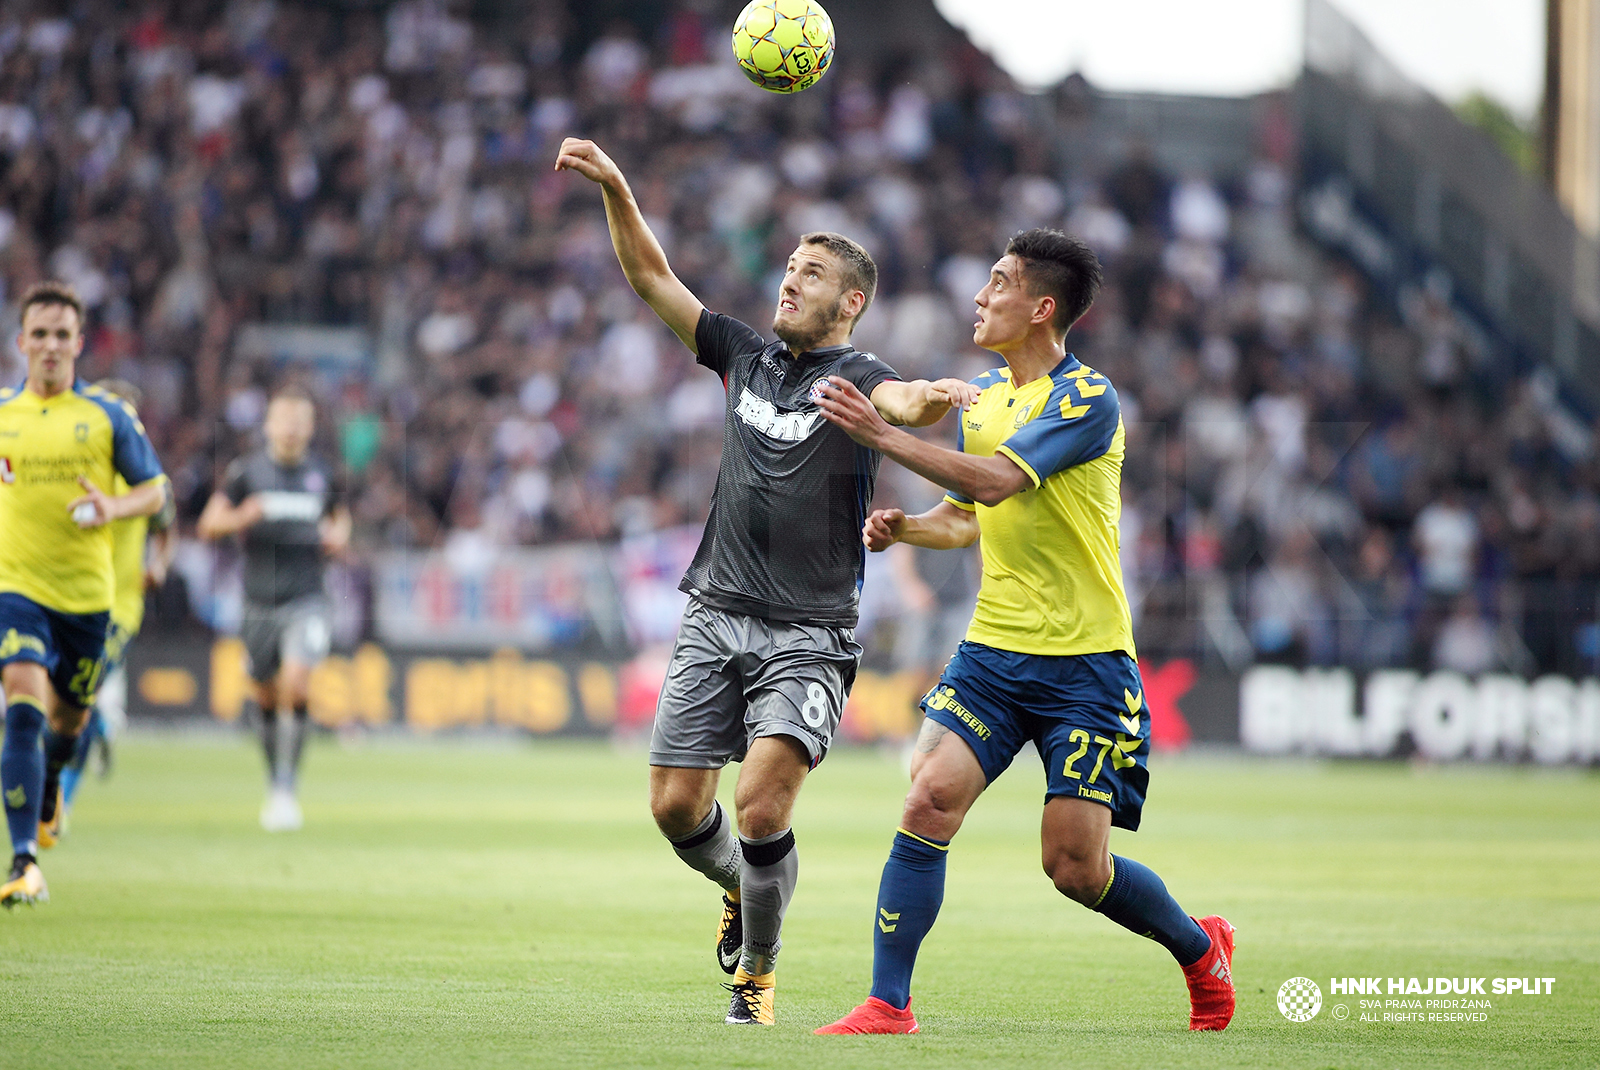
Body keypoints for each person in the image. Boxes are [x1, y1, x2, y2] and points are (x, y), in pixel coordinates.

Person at [554, 136, 978, 1025]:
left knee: (757, 807)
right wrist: (619, 188)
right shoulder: (742, 354)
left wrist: (933, 396)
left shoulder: (861, 376)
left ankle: (757, 971)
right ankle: (746, 894)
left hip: (808, 633)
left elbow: (904, 404)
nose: (790, 280)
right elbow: (652, 279)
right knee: (677, 808)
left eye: (812, 273)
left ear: (850, 300)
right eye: (789, 266)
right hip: (713, 611)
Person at [812, 229, 1235, 1035]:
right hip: (993, 656)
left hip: (1086, 666)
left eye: (998, 283)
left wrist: (883, 436)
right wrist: (908, 531)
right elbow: (968, 518)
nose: (980, 296)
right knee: (929, 798)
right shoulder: (982, 399)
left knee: (1074, 868)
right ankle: (887, 1005)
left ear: (1042, 307)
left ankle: (1198, 948)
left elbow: (1002, 481)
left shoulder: (1086, 398)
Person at [0, 282, 168, 907]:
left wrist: (113, 507)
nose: (49, 345)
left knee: (69, 721)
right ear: (21, 342)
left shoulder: (106, 416)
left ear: (79, 344)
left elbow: (155, 490)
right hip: (15, 588)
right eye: (38, 333)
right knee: (22, 701)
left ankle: (47, 793)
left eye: (61, 335)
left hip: (88, 600)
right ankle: (24, 861)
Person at [197, 385, 350, 832]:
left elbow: (340, 516)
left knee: (298, 684)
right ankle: (273, 778)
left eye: (300, 421)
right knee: (264, 693)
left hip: (308, 597)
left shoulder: (323, 473)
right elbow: (209, 524)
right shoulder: (246, 473)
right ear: (268, 425)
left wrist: (340, 535)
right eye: (284, 419)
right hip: (258, 600)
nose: (291, 429)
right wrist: (241, 517)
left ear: (310, 427)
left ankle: (287, 786)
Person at [52, 380, 176, 835]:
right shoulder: (64, 465)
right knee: (55, 701)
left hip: (117, 606)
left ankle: (61, 797)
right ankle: (100, 726)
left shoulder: (145, 479)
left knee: (75, 698)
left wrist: (158, 565)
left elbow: (167, 527)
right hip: (60, 598)